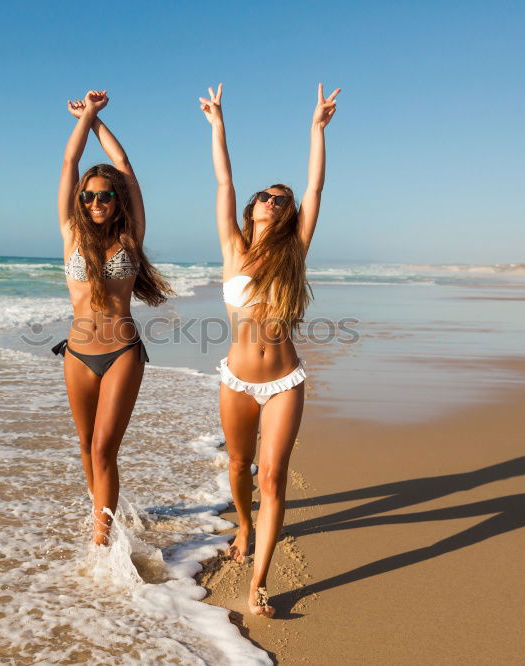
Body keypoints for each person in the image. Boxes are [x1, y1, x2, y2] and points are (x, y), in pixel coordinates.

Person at [199, 82, 339, 616]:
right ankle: (243, 525)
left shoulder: (294, 252)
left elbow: (317, 189)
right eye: (267, 196)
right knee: (239, 468)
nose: (273, 202)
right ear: (255, 206)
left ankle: (259, 583)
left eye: (283, 200)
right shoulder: (232, 249)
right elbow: (223, 180)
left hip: (283, 382)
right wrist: (218, 124)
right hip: (235, 378)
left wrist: (316, 130)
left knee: (273, 476)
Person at [56, 90, 173, 546]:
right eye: (89, 196)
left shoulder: (131, 237)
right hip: (77, 353)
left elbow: (125, 168)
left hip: (122, 352)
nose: (96, 201)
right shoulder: (70, 233)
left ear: (116, 200)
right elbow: (69, 164)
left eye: (104, 196)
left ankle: (100, 542)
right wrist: (83, 119)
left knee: (105, 448)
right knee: (86, 448)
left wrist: (98, 119)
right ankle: (102, 512)